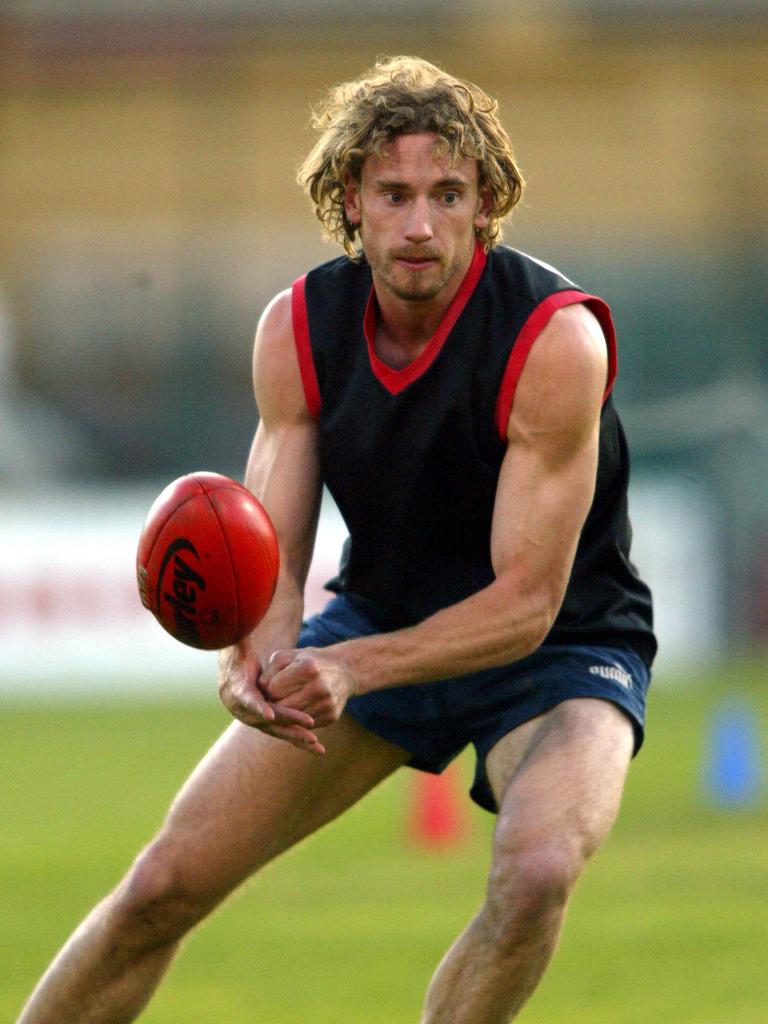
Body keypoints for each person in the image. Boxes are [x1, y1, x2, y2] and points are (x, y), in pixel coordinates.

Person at [17, 56, 656, 1024]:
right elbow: (266, 543)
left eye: (448, 194)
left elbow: (527, 601)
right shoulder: (300, 327)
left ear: (486, 205)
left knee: (535, 870)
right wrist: (257, 659)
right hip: (380, 621)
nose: (419, 224)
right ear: (349, 198)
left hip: (564, 648)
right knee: (161, 886)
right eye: (393, 193)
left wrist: (350, 665)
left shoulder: (554, 338)